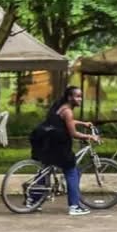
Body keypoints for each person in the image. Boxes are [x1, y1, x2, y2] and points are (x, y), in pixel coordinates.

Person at [29, 85, 97, 216]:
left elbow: (66, 121)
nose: (80, 99)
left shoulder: (60, 107)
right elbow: (73, 133)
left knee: (45, 171)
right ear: (70, 97)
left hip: (49, 144)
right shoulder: (68, 111)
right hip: (59, 147)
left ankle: (32, 200)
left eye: (81, 96)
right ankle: (74, 206)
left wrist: (82, 123)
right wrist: (90, 136)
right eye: (77, 96)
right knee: (72, 172)